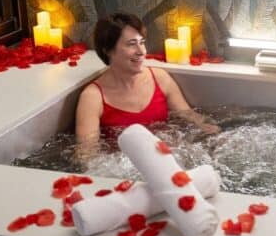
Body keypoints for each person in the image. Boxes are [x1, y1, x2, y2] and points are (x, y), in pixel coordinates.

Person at [75, 13, 219, 155]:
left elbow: (188, 114)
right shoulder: (93, 97)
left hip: (168, 155)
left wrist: (210, 129)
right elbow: (87, 153)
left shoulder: (159, 77)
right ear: (108, 50)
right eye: (132, 44)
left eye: (142, 43)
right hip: (123, 165)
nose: (141, 51)